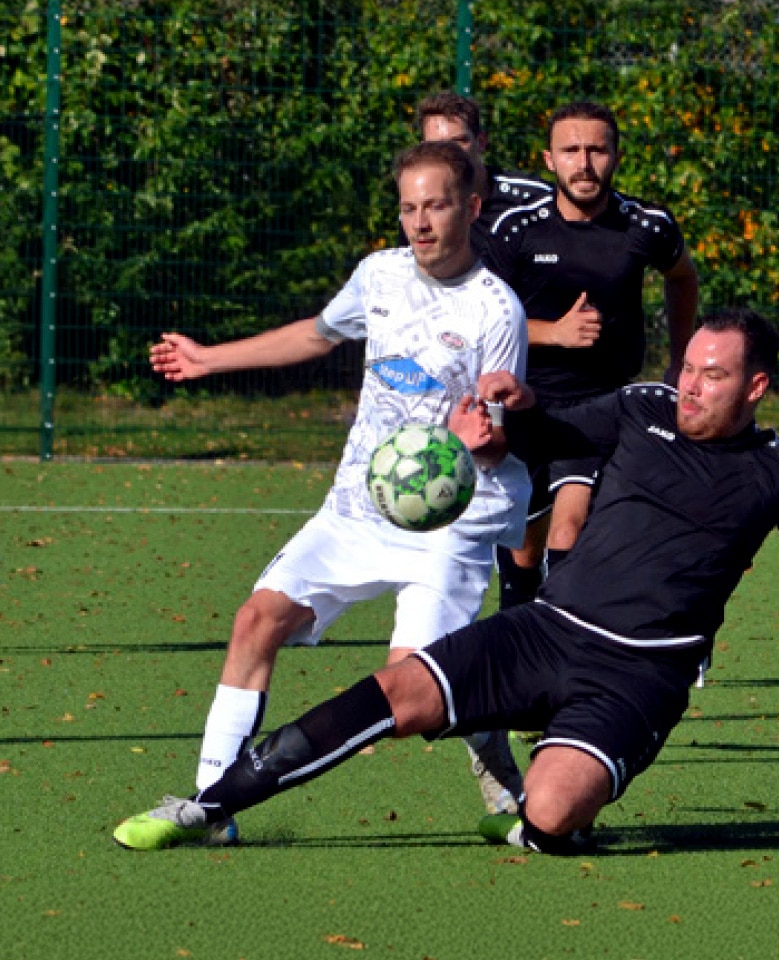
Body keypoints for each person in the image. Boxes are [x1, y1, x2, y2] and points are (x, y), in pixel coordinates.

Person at [114, 307, 779, 855]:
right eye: (689, 368)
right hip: (545, 631)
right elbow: (554, 426)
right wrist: (501, 419)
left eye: (712, 375)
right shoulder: (643, 408)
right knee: (394, 693)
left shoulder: (775, 469)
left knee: (554, 815)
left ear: (756, 387)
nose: (692, 385)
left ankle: (541, 817)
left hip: (640, 674)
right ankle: (206, 806)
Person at [143, 140, 533, 840]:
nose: (420, 222)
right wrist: (209, 359)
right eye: (408, 207)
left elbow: (496, 432)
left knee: (412, 695)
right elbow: (319, 335)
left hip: (450, 519)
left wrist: (480, 436)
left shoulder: (494, 310)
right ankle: (211, 804)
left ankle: (486, 729)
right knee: (256, 618)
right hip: (356, 507)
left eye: (436, 205)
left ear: (471, 208)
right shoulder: (378, 274)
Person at [482, 100, 700, 609]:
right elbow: (483, 322)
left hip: (603, 406)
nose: (584, 163)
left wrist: (679, 359)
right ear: (549, 159)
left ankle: (566, 640)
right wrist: (553, 333)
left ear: (616, 155)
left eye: (597, 149)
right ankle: (520, 630)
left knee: (569, 526)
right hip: (526, 404)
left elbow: (682, 276)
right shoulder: (517, 230)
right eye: (571, 150)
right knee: (523, 547)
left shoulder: (647, 226)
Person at [412, 91, 552, 256]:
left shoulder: (534, 199)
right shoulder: (416, 212)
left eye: (458, 142)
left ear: (481, 142)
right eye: (436, 146)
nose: (448, 154)